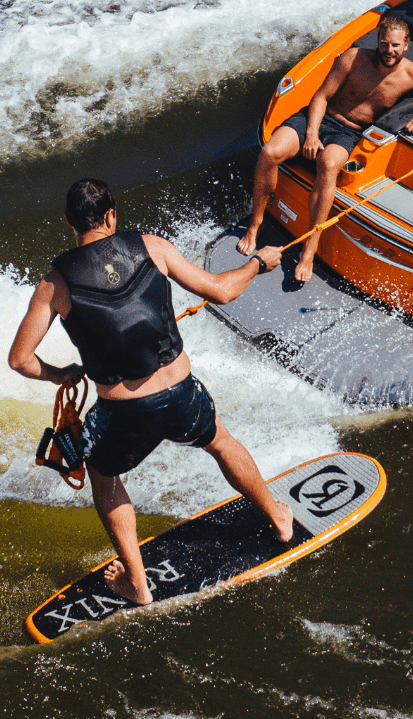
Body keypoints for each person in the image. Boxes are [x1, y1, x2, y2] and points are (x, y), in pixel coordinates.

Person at [8, 178, 290, 607]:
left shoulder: (55, 284)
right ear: (111, 215)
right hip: (181, 394)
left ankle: (138, 585)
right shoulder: (152, 246)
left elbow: (20, 360)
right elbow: (222, 290)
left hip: (124, 414)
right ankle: (278, 520)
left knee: (104, 478)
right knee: (221, 442)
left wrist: (60, 374)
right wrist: (259, 264)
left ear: (68, 222)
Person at [238, 13, 413, 282]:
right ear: (377, 41)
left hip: (347, 133)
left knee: (329, 165)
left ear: (406, 45)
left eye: (395, 45)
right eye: (384, 43)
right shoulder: (353, 58)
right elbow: (321, 96)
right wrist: (311, 134)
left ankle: (309, 250)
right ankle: (256, 224)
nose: (389, 51)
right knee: (269, 153)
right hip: (317, 117)